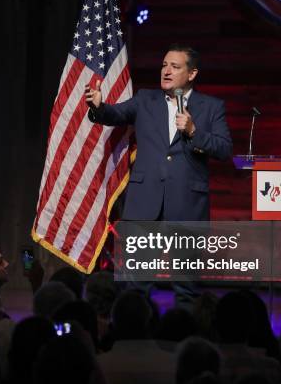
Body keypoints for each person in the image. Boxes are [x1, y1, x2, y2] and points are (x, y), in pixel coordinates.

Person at [85, 44, 232, 307]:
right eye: (164, 65)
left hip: (187, 203)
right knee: (136, 284)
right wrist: (99, 106)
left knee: (186, 287)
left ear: (192, 74)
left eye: (175, 67)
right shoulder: (144, 99)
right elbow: (114, 113)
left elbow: (224, 149)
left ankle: (183, 337)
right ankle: (135, 338)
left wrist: (194, 131)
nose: (166, 71)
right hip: (145, 201)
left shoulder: (211, 107)